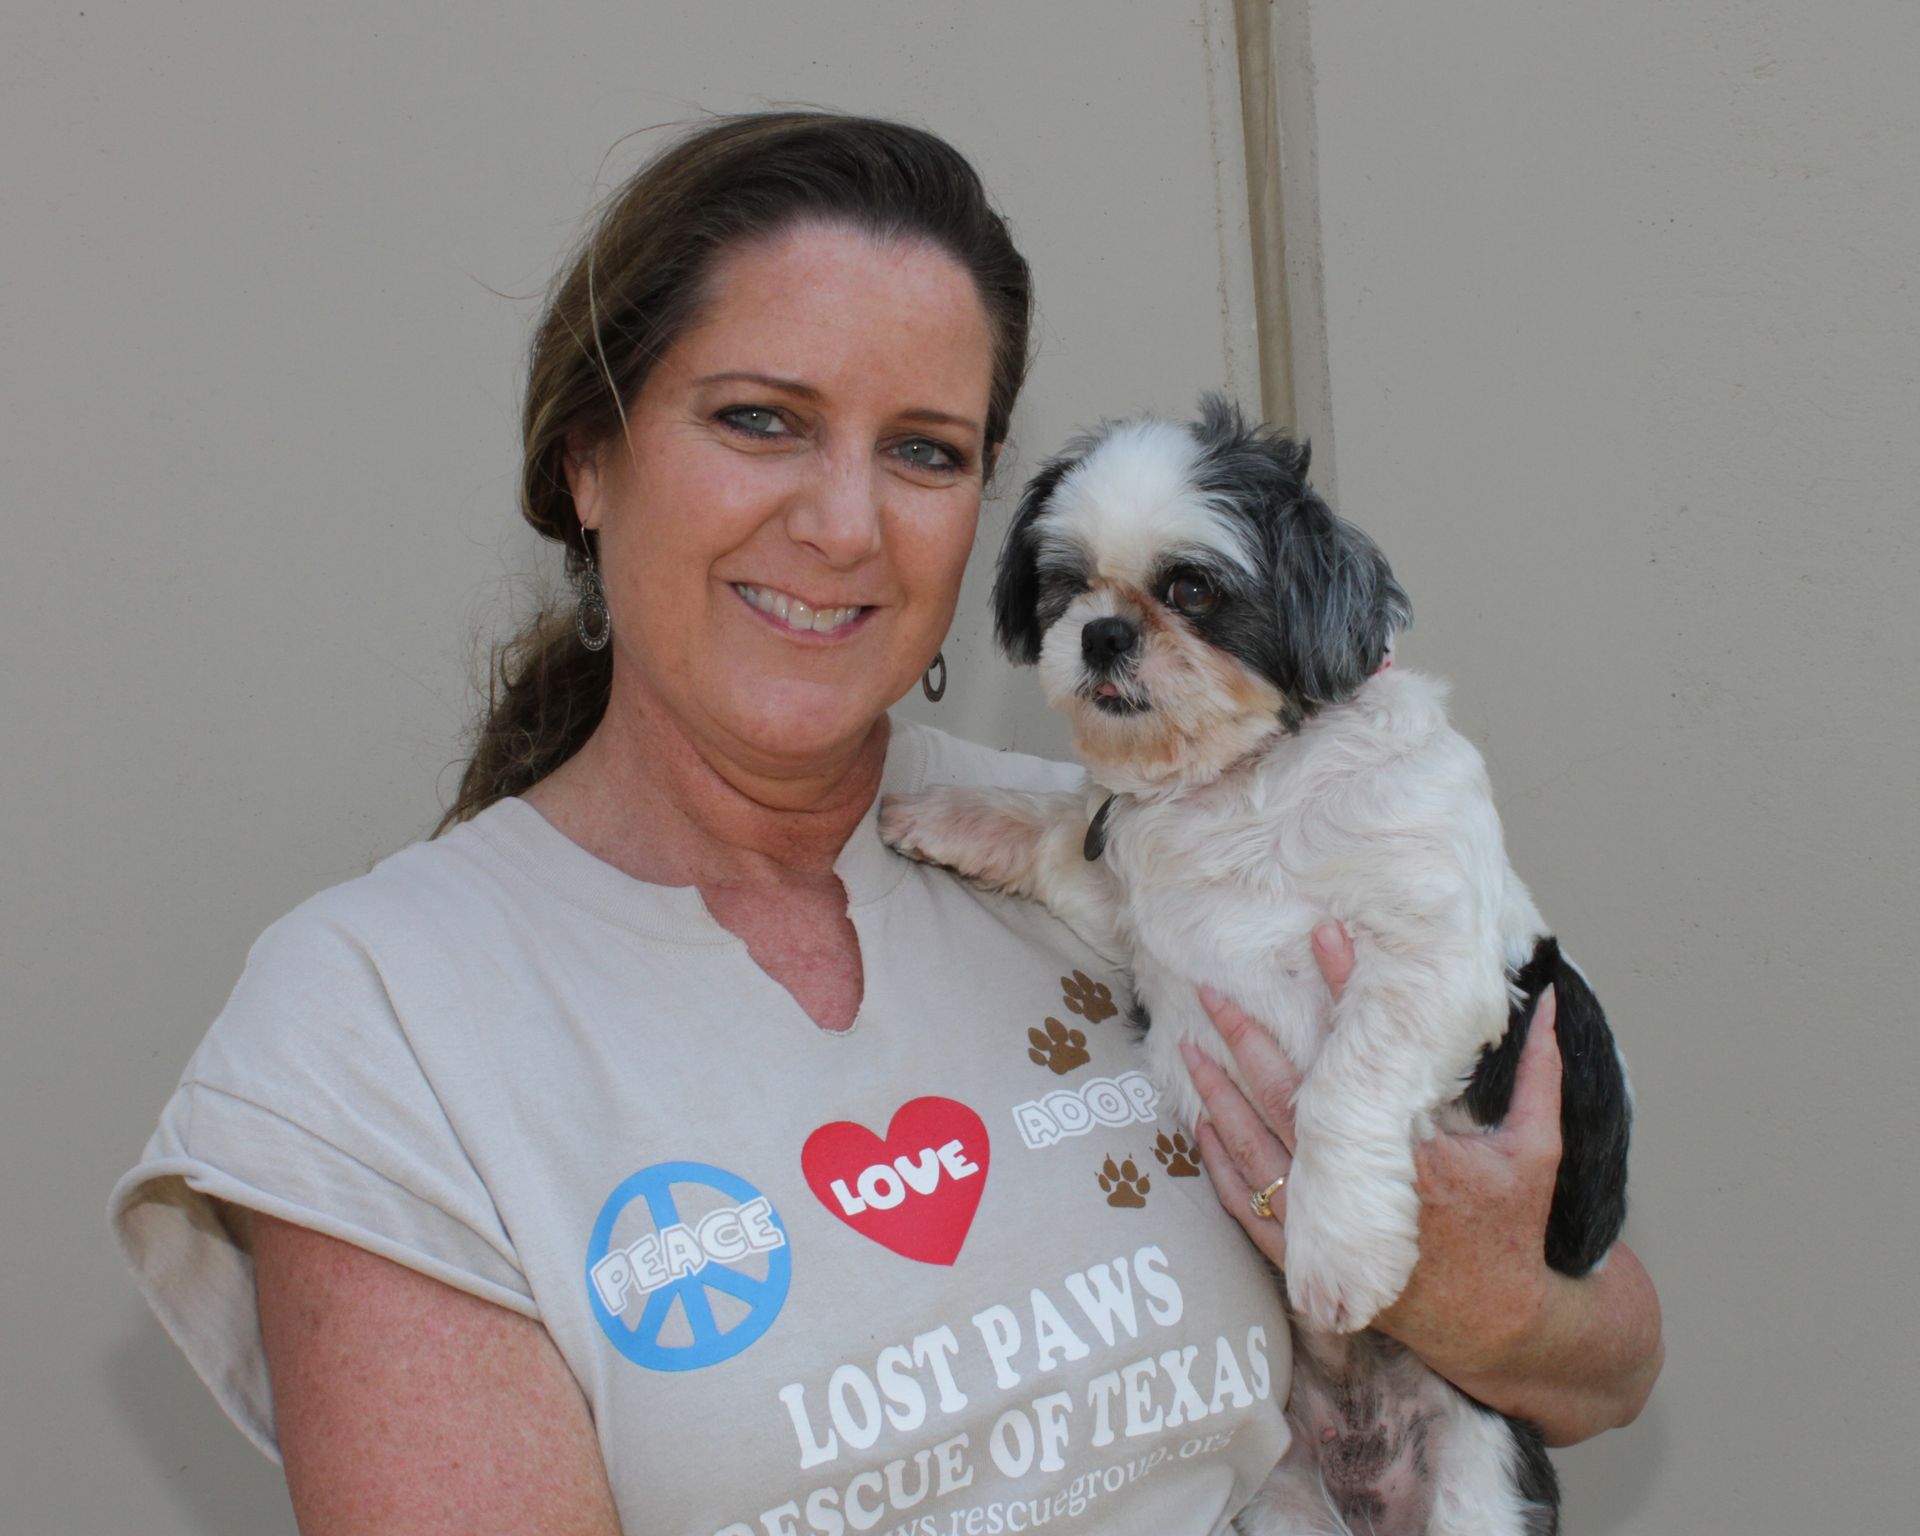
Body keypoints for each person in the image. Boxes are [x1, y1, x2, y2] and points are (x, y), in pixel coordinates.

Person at [110, 112, 1661, 1535]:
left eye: (924, 450)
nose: (844, 522)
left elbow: (1607, 1365)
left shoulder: (1153, 842)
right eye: (761, 420)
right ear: (588, 460)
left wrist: (1484, 1309)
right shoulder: (374, 1024)